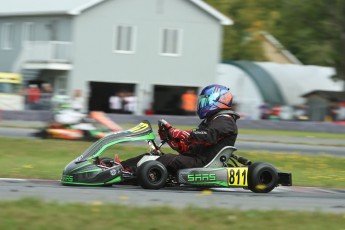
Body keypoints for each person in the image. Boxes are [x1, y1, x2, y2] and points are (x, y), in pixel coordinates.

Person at [119, 84, 240, 176]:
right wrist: (172, 138)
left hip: (203, 163)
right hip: (195, 159)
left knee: (164, 159)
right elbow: (192, 147)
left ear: (217, 101)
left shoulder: (225, 121)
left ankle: (127, 173)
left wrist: (181, 133)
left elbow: (207, 137)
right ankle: (119, 167)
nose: (201, 104)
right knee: (152, 156)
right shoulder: (212, 120)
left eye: (205, 101)